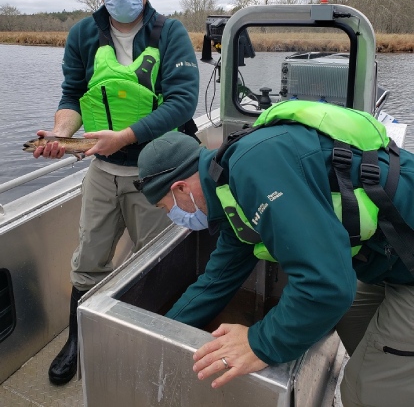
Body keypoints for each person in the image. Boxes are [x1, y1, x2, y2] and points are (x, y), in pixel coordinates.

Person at [136, 103, 414, 407]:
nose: (173, 215)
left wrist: (259, 344)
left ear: (179, 188)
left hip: (407, 258)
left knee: (362, 391)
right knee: (354, 327)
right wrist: (159, 332)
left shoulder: (255, 169)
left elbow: (326, 287)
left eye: (166, 207)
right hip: (389, 259)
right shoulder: (227, 189)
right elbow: (216, 280)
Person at [33, 0, 199, 385]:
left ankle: (151, 342)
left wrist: (125, 135)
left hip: (159, 175)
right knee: (87, 259)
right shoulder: (83, 34)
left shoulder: (171, 33)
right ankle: (76, 341)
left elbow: (183, 102)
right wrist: (61, 134)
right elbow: (71, 96)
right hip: (102, 171)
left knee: (158, 262)